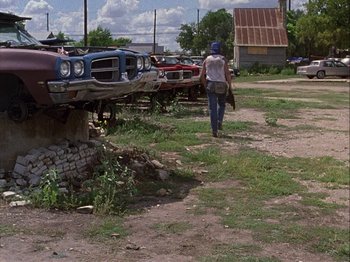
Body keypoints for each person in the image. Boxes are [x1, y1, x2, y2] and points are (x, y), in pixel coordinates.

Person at [200, 41, 232, 137]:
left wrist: (206, 85)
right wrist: (230, 85)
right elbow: (227, 73)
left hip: (210, 84)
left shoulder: (207, 60)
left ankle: (214, 131)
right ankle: (219, 121)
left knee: (212, 108)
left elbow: (202, 75)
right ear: (219, 49)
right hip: (221, 84)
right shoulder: (223, 59)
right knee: (222, 105)